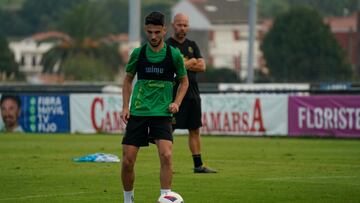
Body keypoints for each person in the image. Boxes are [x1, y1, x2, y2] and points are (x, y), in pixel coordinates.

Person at [121, 11, 189, 203]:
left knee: (166, 155)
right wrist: (125, 107)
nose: (153, 36)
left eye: (157, 32)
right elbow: (127, 81)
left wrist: (176, 103)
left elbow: (184, 82)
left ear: (164, 30)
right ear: (145, 30)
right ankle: (128, 200)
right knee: (127, 161)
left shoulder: (173, 55)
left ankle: (165, 197)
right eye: (149, 32)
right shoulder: (138, 53)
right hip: (139, 112)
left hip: (162, 113)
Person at [166, 13, 217, 173]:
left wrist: (183, 64)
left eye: (185, 25)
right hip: (174, 94)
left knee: (194, 129)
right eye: (179, 24)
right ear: (173, 25)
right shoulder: (167, 45)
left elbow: (202, 67)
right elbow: (171, 68)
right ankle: (167, 165)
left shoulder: (192, 44)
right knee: (168, 130)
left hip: (193, 94)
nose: (182, 27)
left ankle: (198, 165)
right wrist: (191, 62)